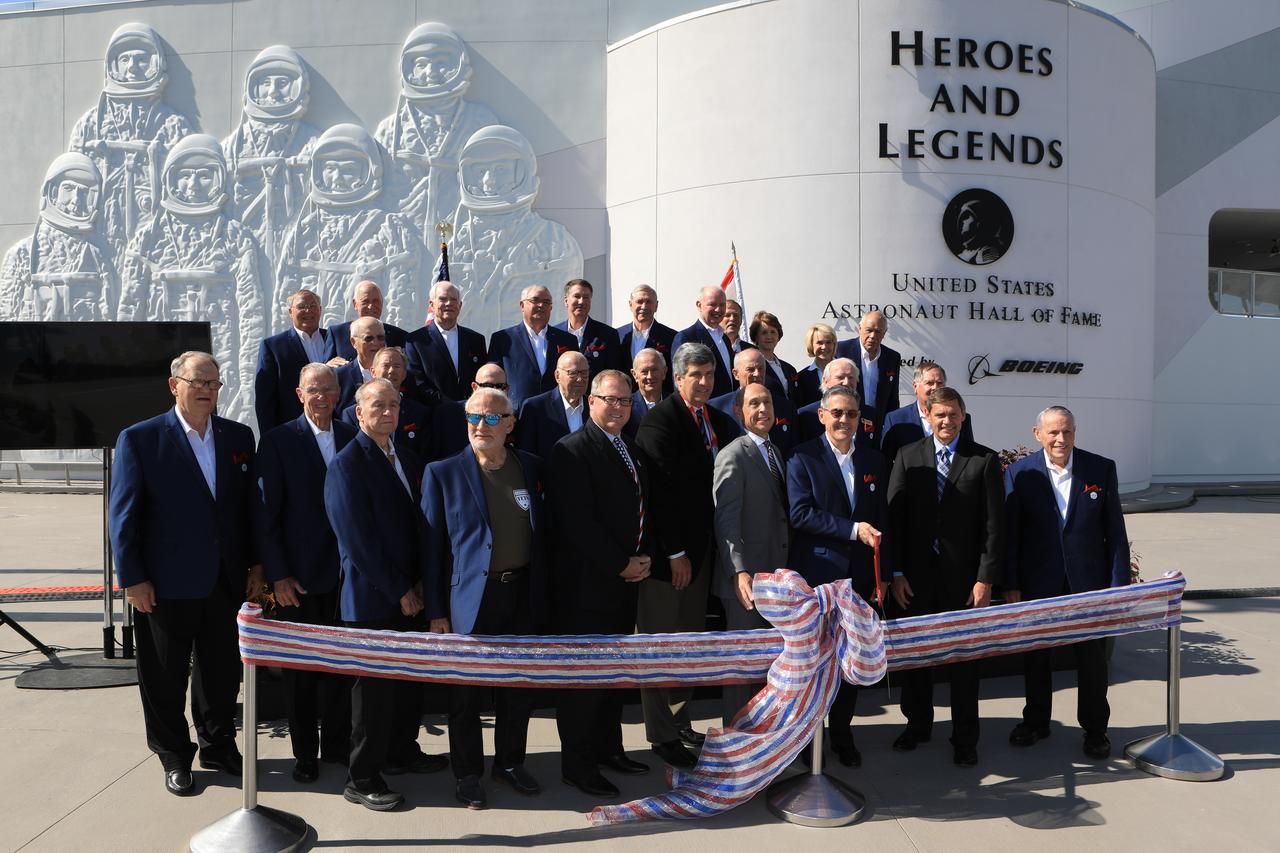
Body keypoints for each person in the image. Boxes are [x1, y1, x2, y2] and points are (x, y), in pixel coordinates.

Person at [108, 351, 260, 797]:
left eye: (214, 383)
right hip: (163, 584)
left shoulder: (237, 436)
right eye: (199, 382)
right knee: (164, 675)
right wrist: (133, 577)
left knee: (219, 672)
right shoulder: (141, 439)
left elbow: (247, 511)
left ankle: (218, 746)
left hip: (224, 580)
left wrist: (255, 565)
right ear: (175, 385)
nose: (208, 390)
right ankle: (174, 755)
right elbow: (123, 516)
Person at [324, 378, 448, 811]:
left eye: (394, 405)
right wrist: (399, 591)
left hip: (409, 595)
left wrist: (419, 585)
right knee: (372, 695)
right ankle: (362, 776)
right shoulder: (347, 464)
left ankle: (400, 751)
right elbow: (357, 541)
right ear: (358, 412)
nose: (388, 412)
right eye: (378, 405)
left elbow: (420, 527)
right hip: (373, 600)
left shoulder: (408, 458)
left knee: (404, 686)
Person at [422, 387, 548, 809]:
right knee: (466, 696)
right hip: (470, 601)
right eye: (474, 417)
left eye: (493, 418)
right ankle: (468, 773)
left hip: (522, 594)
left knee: (517, 688)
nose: (481, 425)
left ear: (511, 424)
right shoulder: (442, 472)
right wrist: (437, 610)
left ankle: (510, 763)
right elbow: (433, 549)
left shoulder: (530, 467)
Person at [1004, 406, 1130, 760]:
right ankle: (1036, 722)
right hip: (1038, 584)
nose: (1061, 440)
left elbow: (1115, 532)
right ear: (1037, 433)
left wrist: (1118, 585)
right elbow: (1011, 536)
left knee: (1092, 661)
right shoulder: (1019, 473)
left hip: (1088, 586)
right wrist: (1011, 583)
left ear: (1076, 432)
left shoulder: (1100, 469)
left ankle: (1095, 730)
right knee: (1037, 659)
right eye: (1054, 433)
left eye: (1068, 432)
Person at [550, 369, 654, 798]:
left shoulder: (629, 446)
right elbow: (577, 524)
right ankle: (578, 764)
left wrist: (641, 559)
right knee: (585, 681)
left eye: (625, 401)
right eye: (609, 399)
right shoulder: (571, 451)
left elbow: (637, 507)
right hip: (588, 588)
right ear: (590, 401)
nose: (618, 407)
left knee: (613, 675)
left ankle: (609, 749)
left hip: (624, 584)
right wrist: (620, 564)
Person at [887, 386, 1003, 767]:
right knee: (917, 659)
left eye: (953, 415)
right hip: (915, 582)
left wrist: (984, 579)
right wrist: (898, 572)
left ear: (963, 416)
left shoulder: (984, 460)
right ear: (928, 414)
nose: (947, 421)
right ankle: (917, 726)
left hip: (964, 584)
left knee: (964, 664)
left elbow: (992, 527)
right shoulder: (907, 456)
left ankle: (965, 738)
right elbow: (896, 520)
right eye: (940, 415)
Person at [634, 342, 737, 768]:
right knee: (659, 646)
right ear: (677, 378)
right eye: (695, 375)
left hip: (701, 555)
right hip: (668, 560)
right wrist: (675, 552)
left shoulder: (715, 419)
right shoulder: (660, 421)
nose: (704, 382)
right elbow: (659, 496)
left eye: (710, 375)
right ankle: (661, 735)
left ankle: (680, 720)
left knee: (688, 643)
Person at [252, 362, 356, 783]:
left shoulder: (353, 436)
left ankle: (335, 746)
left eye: (328, 390)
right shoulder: (278, 441)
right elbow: (265, 515)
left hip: (346, 578)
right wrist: (278, 575)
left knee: (340, 668)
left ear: (338, 395)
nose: (321, 397)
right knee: (301, 674)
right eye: (313, 390)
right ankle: (304, 755)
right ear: (299, 394)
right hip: (297, 580)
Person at [118, 133, 265, 424]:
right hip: (160, 352)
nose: (193, 185)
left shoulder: (234, 236)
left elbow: (251, 312)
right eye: (185, 176)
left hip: (220, 355)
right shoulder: (149, 236)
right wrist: (130, 370)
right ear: (170, 179)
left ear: (220, 178)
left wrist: (248, 380)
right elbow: (130, 309)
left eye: (204, 175)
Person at [786, 385, 889, 767]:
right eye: (837, 413)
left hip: (861, 580)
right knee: (813, 663)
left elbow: (883, 521)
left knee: (850, 661)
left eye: (851, 414)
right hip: (818, 581)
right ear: (822, 415)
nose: (844, 420)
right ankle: (807, 742)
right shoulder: (801, 457)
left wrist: (885, 576)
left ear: (860, 419)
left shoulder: (875, 461)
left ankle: (843, 735)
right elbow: (800, 514)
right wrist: (852, 529)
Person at [274, 122, 429, 331]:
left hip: (366, 341)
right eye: (330, 169)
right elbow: (286, 293)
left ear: (370, 171)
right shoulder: (307, 229)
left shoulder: (390, 228)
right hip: (316, 341)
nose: (337, 178)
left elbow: (402, 299)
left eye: (348, 170)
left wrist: (390, 346)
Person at [69, 23, 192, 258]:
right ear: (112, 66)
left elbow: (189, 181)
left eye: (140, 59)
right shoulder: (90, 125)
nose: (132, 67)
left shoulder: (173, 124)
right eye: (124, 60)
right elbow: (73, 176)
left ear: (156, 63)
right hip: (104, 229)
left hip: (156, 231)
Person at [447, 126, 584, 329]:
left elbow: (565, 318)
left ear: (523, 172)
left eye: (500, 170)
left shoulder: (553, 240)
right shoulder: (457, 244)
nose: (488, 182)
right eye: (480, 171)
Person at [375, 22, 499, 243]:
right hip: (405, 231)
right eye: (421, 64)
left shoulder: (480, 121)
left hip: (461, 228)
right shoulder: (390, 129)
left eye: (442, 64)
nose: (431, 73)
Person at [711, 383, 790, 727]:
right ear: (739, 411)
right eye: (754, 403)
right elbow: (726, 520)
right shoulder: (733, 454)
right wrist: (738, 571)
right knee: (742, 671)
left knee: (770, 669)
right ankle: (736, 748)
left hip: (777, 582)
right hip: (746, 586)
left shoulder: (778, 452)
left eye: (767, 402)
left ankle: (765, 745)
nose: (762, 409)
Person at [221, 44, 319, 283]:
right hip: (245, 242)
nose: (273, 92)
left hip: (295, 242)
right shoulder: (232, 146)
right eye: (266, 83)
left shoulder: (314, 142)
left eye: (282, 83)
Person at [0, 153, 116, 323]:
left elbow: (109, 315)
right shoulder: (21, 255)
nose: (76, 199)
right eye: (68, 189)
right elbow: (6, 314)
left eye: (83, 192)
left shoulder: (99, 258)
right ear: (53, 192)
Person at [486, 284, 578, 409]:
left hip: (557, 412)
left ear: (551, 308)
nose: (541, 305)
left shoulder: (567, 340)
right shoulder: (503, 339)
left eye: (546, 302)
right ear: (522, 305)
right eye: (535, 300)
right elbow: (493, 380)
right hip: (518, 415)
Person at [255, 288, 331, 431]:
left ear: (320, 310)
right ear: (291, 312)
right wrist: (269, 438)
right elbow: (265, 400)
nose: (308, 311)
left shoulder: (333, 340)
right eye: (301, 307)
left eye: (312, 306)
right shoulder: (274, 346)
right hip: (294, 431)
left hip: (334, 428)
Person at [340, 346, 433, 464]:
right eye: (386, 366)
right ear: (373, 371)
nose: (391, 371)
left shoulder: (420, 413)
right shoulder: (352, 414)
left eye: (397, 366)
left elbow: (425, 456)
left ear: (404, 374)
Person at [403, 280, 487, 404]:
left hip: (472, 414)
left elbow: (482, 378)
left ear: (460, 305)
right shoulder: (416, 341)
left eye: (454, 300)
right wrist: (448, 406)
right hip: (434, 415)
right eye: (443, 299)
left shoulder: (476, 340)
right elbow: (417, 382)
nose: (449, 303)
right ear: (431, 305)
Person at [708, 348, 799, 456]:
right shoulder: (716, 408)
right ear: (736, 374)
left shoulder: (786, 407)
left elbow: (795, 450)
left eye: (761, 368)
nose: (757, 374)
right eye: (750, 369)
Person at [880, 361, 975, 463]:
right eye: (929, 383)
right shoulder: (896, 419)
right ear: (915, 386)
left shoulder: (960, 419)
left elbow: (969, 456)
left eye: (939, 383)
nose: (935, 387)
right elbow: (886, 461)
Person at [515, 350, 588, 460]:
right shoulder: (535, 407)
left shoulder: (595, 406)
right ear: (557, 376)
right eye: (573, 373)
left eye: (584, 373)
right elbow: (526, 454)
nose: (580, 379)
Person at [796, 358, 879, 451]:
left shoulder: (869, 413)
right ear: (825, 381)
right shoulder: (806, 415)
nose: (846, 382)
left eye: (851, 377)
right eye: (840, 377)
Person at [432, 362, 509, 459]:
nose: (492, 392)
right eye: (487, 386)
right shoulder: (448, 415)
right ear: (474, 387)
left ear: (506, 389)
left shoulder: (511, 416)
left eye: (499, 387)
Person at [671, 286, 734, 398]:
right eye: (713, 304)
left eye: (722, 305)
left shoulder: (724, 338)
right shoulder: (686, 337)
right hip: (703, 408)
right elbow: (680, 382)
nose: (718, 309)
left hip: (727, 407)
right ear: (699, 305)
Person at [836, 311, 901, 417]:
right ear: (860, 328)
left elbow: (893, 398)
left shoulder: (892, 357)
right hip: (848, 419)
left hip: (878, 424)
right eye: (869, 330)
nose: (872, 336)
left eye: (878, 331)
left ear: (884, 333)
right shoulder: (841, 350)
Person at [616, 284, 677, 396]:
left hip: (658, 403)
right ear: (630, 305)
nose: (644, 306)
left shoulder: (671, 337)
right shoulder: (617, 335)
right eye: (639, 301)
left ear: (656, 306)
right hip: (622, 402)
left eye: (648, 302)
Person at [554, 278, 621, 378]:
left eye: (586, 297)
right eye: (577, 296)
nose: (581, 301)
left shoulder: (607, 334)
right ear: (566, 301)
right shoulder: (554, 334)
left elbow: (612, 373)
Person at [326, 281, 408, 361]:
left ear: (382, 302)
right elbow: (326, 368)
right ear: (355, 304)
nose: (370, 306)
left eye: (375, 301)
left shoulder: (399, 336)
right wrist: (329, 366)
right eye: (365, 301)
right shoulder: (337, 334)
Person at [335, 316, 386, 410]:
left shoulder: (397, 373)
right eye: (368, 338)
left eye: (380, 337)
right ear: (353, 342)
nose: (375, 342)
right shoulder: (339, 377)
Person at [750, 310, 798, 401]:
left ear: (778, 335)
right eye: (764, 332)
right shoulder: (753, 368)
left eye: (773, 332)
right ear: (756, 337)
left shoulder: (789, 369)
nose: (769, 336)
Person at [624, 347, 666, 440]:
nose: (650, 376)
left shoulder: (677, 404)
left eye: (654, 370)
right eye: (644, 371)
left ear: (664, 372)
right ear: (634, 374)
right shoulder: (625, 406)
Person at [793, 323, 837, 409]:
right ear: (811, 345)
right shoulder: (802, 377)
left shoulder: (847, 370)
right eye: (819, 343)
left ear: (834, 344)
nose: (824, 347)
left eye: (828, 342)